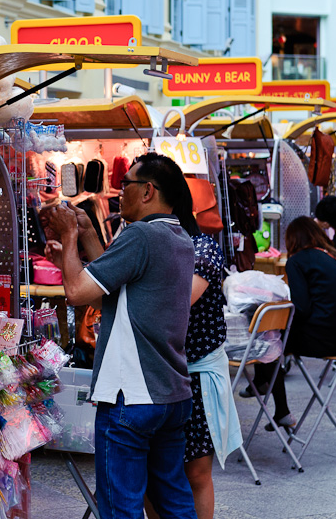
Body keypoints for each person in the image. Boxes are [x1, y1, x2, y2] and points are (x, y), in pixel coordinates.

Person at [45, 153, 197, 519]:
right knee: (174, 501)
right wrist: (86, 234)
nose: (119, 193)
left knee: (120, 508)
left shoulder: (142, 235)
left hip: (132, 395)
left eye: (126, 184)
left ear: (147, 191)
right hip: (170, 394)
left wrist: (68, 235)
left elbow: (79, 293)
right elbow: (113, 284)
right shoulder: (178, 236)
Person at [146, 206, 242, 519]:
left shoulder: (204, 250)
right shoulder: (147, 244)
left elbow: (178, 302)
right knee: (149, 471)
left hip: (195, 375)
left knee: (196, 471)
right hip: (157, 371)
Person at [250, 217, 336, 429]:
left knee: (267, 342)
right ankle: (261, 382)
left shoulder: (297, 261)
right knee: (271, 340)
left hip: (323, 340)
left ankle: (278, 405)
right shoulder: (335, 258)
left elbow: (301, 308)